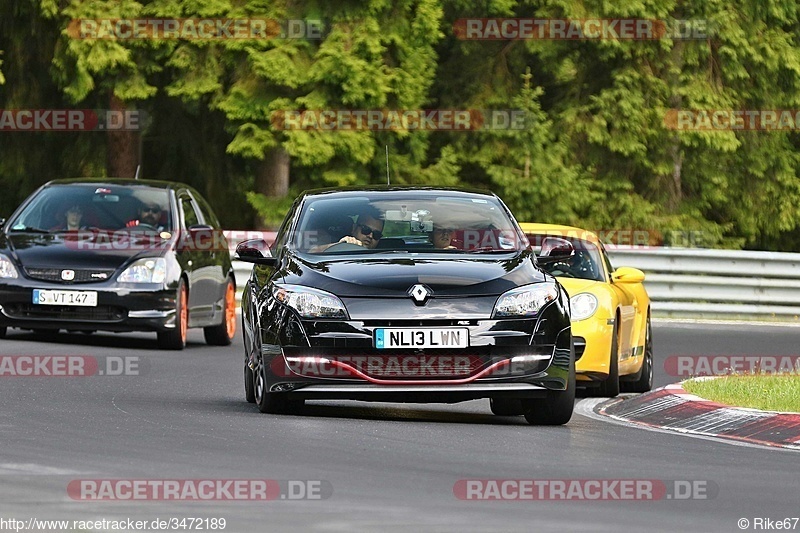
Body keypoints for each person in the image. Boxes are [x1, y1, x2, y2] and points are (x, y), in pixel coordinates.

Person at [309, 209, 384, 252]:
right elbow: (311, 252)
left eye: (376, 234)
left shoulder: (384, 258)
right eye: (366, 230)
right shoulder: (341, 247)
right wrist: (340, 245)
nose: (370, 236)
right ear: (354, 228)